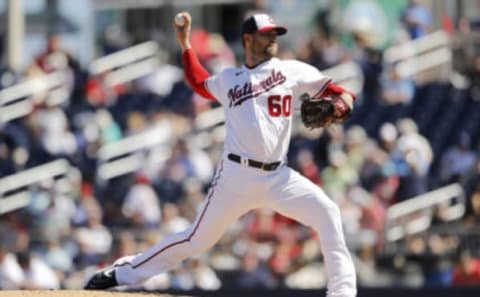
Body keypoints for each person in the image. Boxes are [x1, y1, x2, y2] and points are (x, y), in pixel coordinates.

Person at [85, 12, 357, 297]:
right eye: (266, 34)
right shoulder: (230, 78)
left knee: (328, 212)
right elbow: (198, 82)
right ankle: (120, 273)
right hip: (236, 177)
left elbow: (342, 93)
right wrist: (186, 45)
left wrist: (342, 104)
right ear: (247, 39)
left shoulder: (292, 70)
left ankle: (342, 292)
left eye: (275, 34)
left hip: (279, 176)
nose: (272, 39)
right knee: (195, 240)